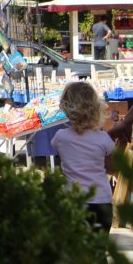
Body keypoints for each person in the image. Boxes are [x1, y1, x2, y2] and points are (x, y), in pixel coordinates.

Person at [51, 81, 115, 232]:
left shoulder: (60, 137)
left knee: (76, 249)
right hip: (101, 200)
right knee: (98, 249)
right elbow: (113, 168)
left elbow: (57, 148)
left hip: (73, 199)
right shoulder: (103, 138)